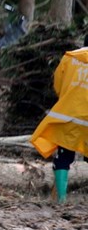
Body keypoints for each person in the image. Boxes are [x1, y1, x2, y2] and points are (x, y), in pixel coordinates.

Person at [30, 36, 88, 204]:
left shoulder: (70, 57)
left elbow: (58, 84)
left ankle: (61, 200)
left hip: (69, 117)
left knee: (63, 156)